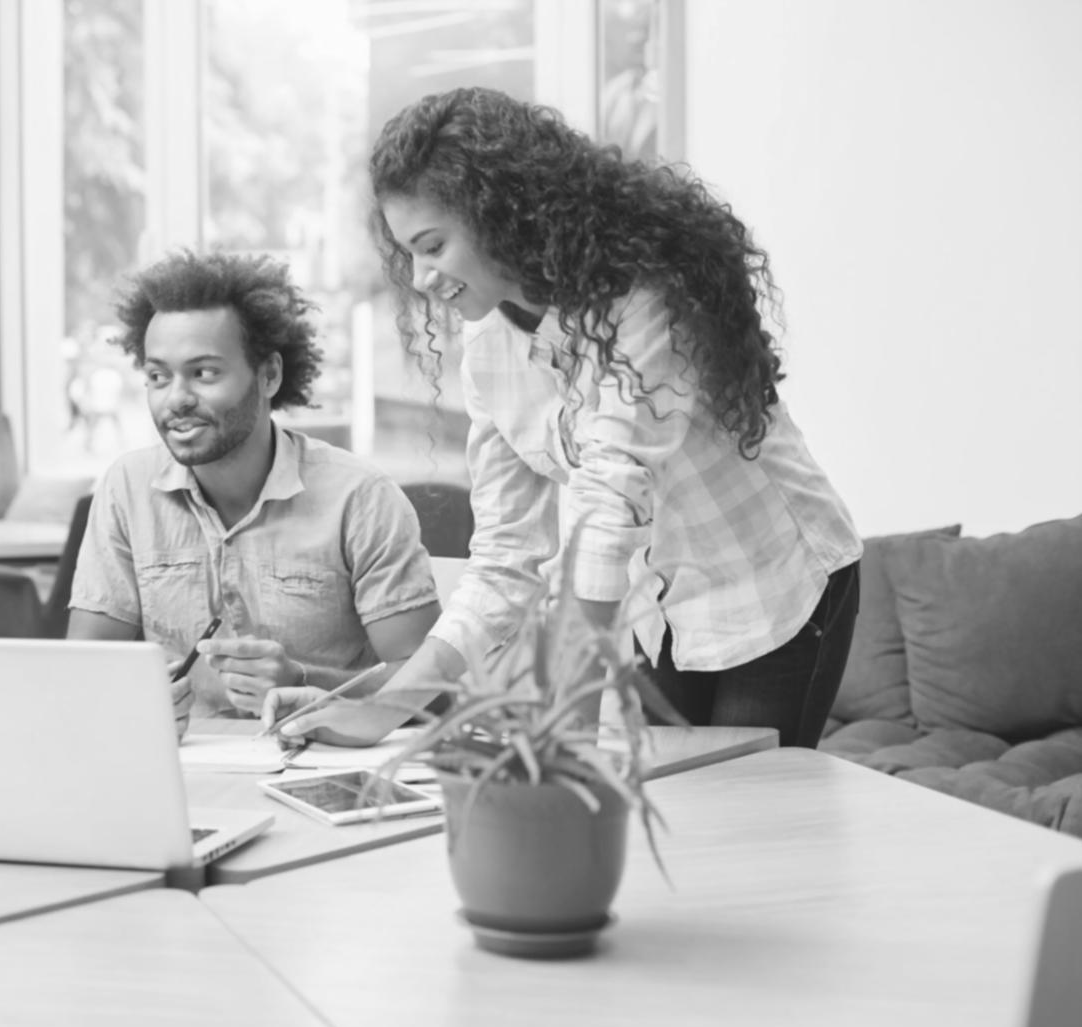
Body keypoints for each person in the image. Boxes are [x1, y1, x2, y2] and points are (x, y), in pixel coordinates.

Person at [270, 86, 862, 750]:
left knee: (746, 804)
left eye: (433, 246)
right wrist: (385, 709)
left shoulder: (642, 299)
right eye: (408, 252)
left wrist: (564, 740)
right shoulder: (486, 347)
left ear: (500, 214)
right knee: (663, 800)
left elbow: (608, 505)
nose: (421, 277)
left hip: (775, 587)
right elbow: (504, 557)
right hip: (662, 609)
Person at [68, 250, 440, 732]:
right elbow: (83, 675)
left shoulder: (360, 498)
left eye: (204, 373)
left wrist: (303, 680)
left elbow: (434, 693)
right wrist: (135, 702)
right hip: (181, 765)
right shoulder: (127, 489)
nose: (176, 398)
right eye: (158, 377)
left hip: (320, 759)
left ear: (269, 375)